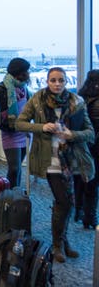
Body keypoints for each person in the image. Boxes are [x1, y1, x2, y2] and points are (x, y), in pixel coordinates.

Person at [16, 67, 95, 262]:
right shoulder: (37, 100)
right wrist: (41, 127)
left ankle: (63, 240)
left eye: (61, 80)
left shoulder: (77, 102)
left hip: (72, 160)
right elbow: (20, 123)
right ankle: (58, 244)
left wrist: (72, 135)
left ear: (66, 82)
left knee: (68, 202)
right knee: (64, 201)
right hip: (49, 159)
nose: (57, 84)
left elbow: (90, 133)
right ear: (47, 82)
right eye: (53, 80)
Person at [0, 58, 32, 188]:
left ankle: (15, 195)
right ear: (19, 72)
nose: (28, 73)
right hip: (10, 131)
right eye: (26, 71)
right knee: (14, 168)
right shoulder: (2, 87)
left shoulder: (24, 87)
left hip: (24, 130)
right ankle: (9, 197)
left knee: (18, 169)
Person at [77, 70, 99, 229]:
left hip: (81, 143)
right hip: (96, 145)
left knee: (79, 179)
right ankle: (90, 216)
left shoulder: (80, 97)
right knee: (93, 181)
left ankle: (78, 211)